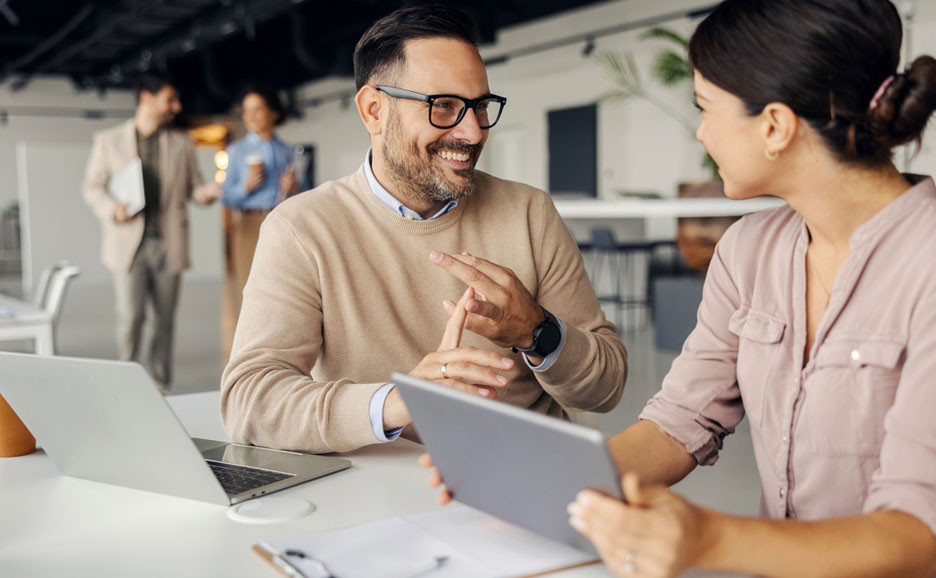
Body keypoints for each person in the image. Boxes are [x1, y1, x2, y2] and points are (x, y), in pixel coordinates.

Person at [422, 0, 936, 575]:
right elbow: (680, 422)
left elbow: (921, 531)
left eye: (705, 108)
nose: (700, 131)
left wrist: (711, 539)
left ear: (774, 126)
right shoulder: (749, 251)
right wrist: (530, 483)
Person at [220, 4, 628, 454]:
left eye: (479, 106)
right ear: (373, 110)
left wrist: (538, 331)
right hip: (379, 494)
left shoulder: (530, 213)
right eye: (445, 106)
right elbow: (249, 402)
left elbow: (603, 390)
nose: (472, 132)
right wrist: (398, 403)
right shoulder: (302, 229)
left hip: (525, 477)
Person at [83, 74, 221, 390]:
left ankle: (161, 385)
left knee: (165, 322)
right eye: (170, 99)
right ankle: (125, 385)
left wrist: (207, 193)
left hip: (169, 245)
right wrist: (111, 209)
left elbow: (194, 189)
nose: (177, 106)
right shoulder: (109, 141)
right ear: (147, 98)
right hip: (128, 245)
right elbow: (91, 187)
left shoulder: (182, 143)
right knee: (131, 318)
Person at [220, 87, 299, 358]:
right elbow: (226, 196)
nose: (250, 116)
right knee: (249, 288)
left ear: (273, 113)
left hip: (283, 221)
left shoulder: (288, 151)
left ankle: (280, 352)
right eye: (246, 111)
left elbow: (308, 194)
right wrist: (245, 187)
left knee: (286, 287)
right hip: (249, 224)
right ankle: (248, 355)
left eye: (257, 109)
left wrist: (295, 187)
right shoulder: (237, 150)